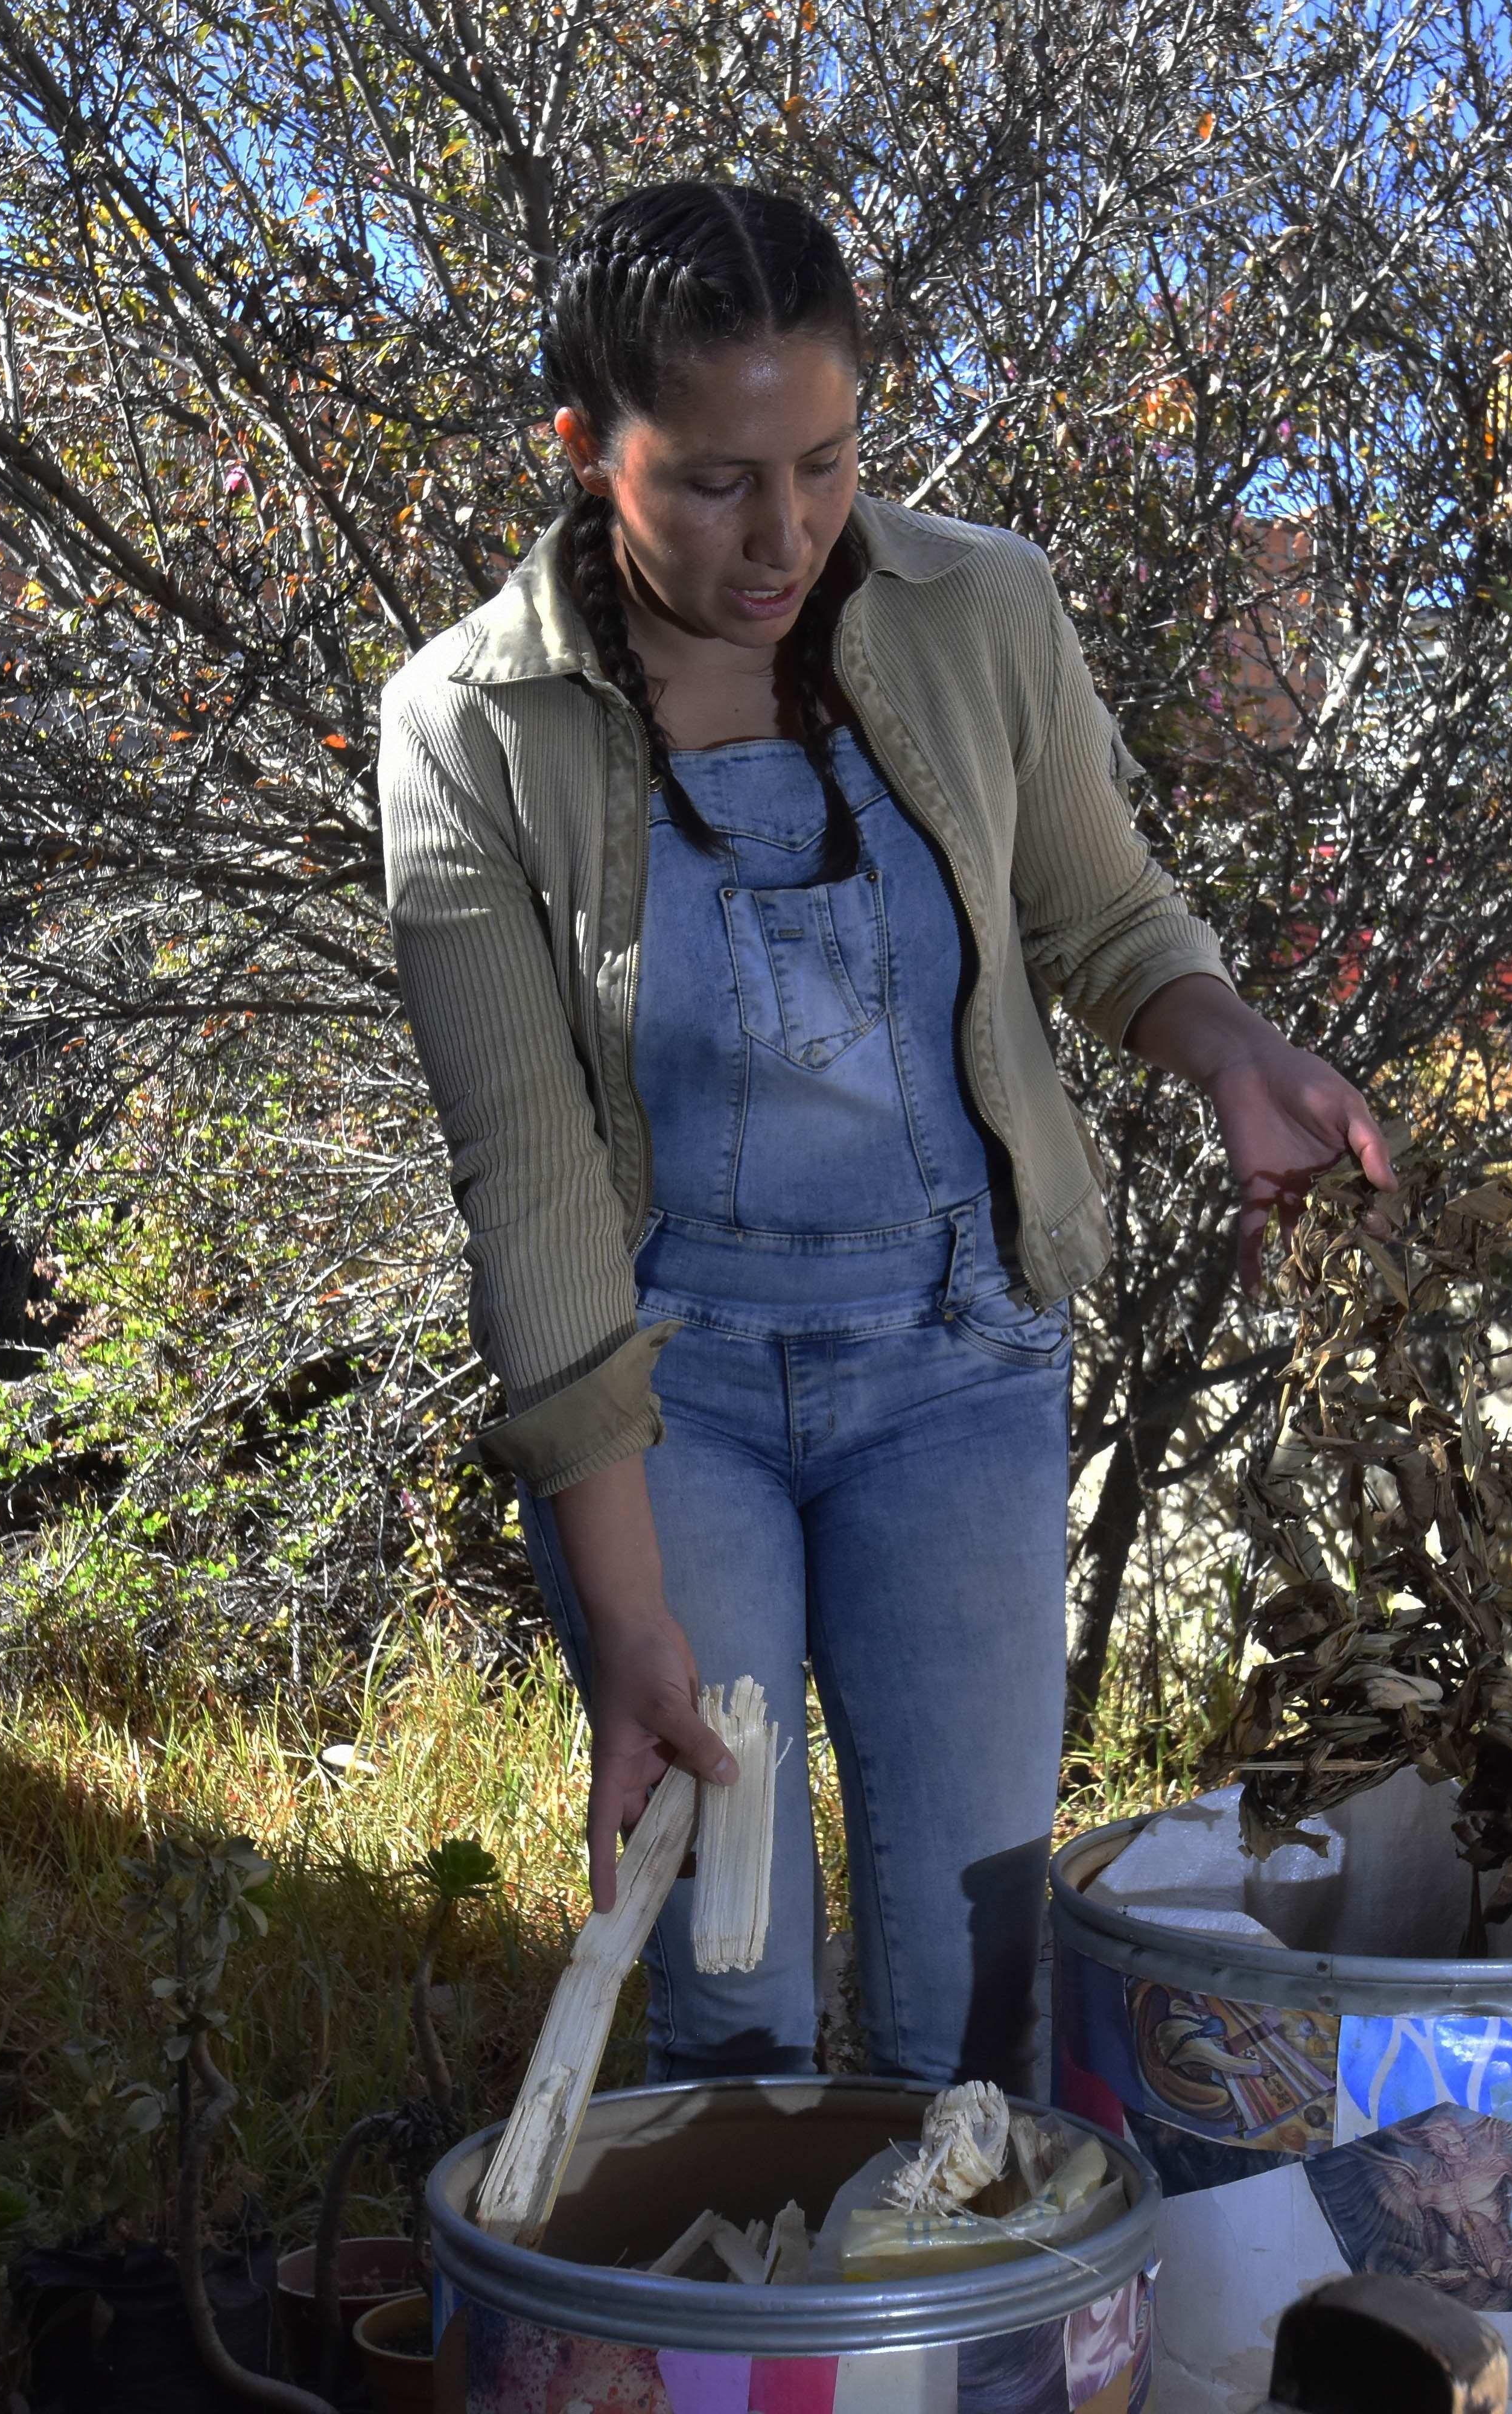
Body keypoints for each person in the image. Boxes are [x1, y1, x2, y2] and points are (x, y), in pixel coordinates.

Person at [379, 180, 1388, 2088]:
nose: (784, 538)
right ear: (585, 449)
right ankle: (754, 2375)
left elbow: (1104, 919)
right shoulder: (466, 726)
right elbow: (527, 1185)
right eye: (715, 484)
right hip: (668, 1400)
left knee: (977, 1977)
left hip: (955, 1361)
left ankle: (974, 2372)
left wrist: (1231, 1048)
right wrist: (628, 1611)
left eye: (827, 464)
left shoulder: (978, 609)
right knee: (731, 1972)